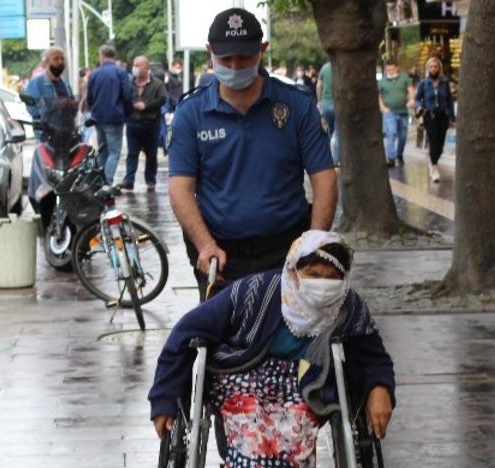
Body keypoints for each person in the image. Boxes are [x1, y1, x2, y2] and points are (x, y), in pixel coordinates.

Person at [148, 232, 395, 468]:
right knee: (251, 423)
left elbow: (373, 355)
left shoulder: (347, 307)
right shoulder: (254, 293)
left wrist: (379, 389)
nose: (323, 286)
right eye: (313, 274)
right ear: (293, 272)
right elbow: (185, 333)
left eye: (332, 278)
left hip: (303, 383)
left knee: (295, 429)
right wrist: (165, 399)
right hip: (240, 375)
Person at [168, 6, 338, 297]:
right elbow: (180, 189)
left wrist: (313, 242)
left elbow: (324, 178)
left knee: (297, 335)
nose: (234, 67)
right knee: (222, 335)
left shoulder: (296, 106)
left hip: (287, 246)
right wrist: (205, 244)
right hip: (220, 252)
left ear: (262, 50)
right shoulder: (191, 113)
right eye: (225, 58)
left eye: (244, 57)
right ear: (209, 51)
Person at [86, 44, 134, 184]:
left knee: (103, 150)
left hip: (98, 117)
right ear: (114, 56)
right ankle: (107, 181)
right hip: (115, 117)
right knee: (114, 151)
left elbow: (89, 97)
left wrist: (93, 110)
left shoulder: (95, 73)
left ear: (102, 56)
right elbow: (127, 95)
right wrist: (128, 113)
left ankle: (100, 181)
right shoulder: (120, 72)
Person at [120, 55, 167, 191]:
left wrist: (146, 105)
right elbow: (124, 98)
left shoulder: (157, 84)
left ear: (146, 68)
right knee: (132, 153)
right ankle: (129, 180)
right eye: (134, 65)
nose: (134, 68)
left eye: (137, 65)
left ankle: (150, 181)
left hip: (150, 125)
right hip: (133, 124)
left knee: (151, 155)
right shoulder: (129, 83)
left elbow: (162, 99)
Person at [24, 47, 77, 142]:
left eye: (62, 59)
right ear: (47, 62)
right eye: (56, 59)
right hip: (46, 137)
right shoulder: (37, 83)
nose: (60, 62)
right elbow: (31, 108)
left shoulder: (65, 84)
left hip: (66, 136)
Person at [414, 56, 454, 183]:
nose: (433, 69)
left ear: (439, 68)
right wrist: (419, 107)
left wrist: (452, 117)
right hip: (429, 115)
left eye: (435, 66)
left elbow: (449, 100)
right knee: (434, 140)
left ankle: (432, 162)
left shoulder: (445, 82)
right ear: (428, 68)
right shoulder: (423, 83)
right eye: (431, 67)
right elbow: (416, 99)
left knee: (440, 145)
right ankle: (434, 168)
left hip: (442, 116)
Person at [378, 58, 414, 167]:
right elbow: (378, 96)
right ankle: (391, 158)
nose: (390, 72)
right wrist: (382, 107)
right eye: (388, 70)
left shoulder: (404, 78)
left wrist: (411, 99)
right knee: (391, 133)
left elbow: (410, 89)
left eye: (392, 69)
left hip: (403, 111)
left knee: (402, 135)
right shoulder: (382, 82)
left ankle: (399, 154)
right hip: (389, 113)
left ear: (397, 68)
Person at [316, 59, 338, 164]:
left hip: (326, 105)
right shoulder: (340, 66)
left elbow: (319, 86)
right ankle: (334, 159)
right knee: (337, 133)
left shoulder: (324, 68)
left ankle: (328, 156)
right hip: (338, 105)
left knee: (329, 131)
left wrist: (319, 101)